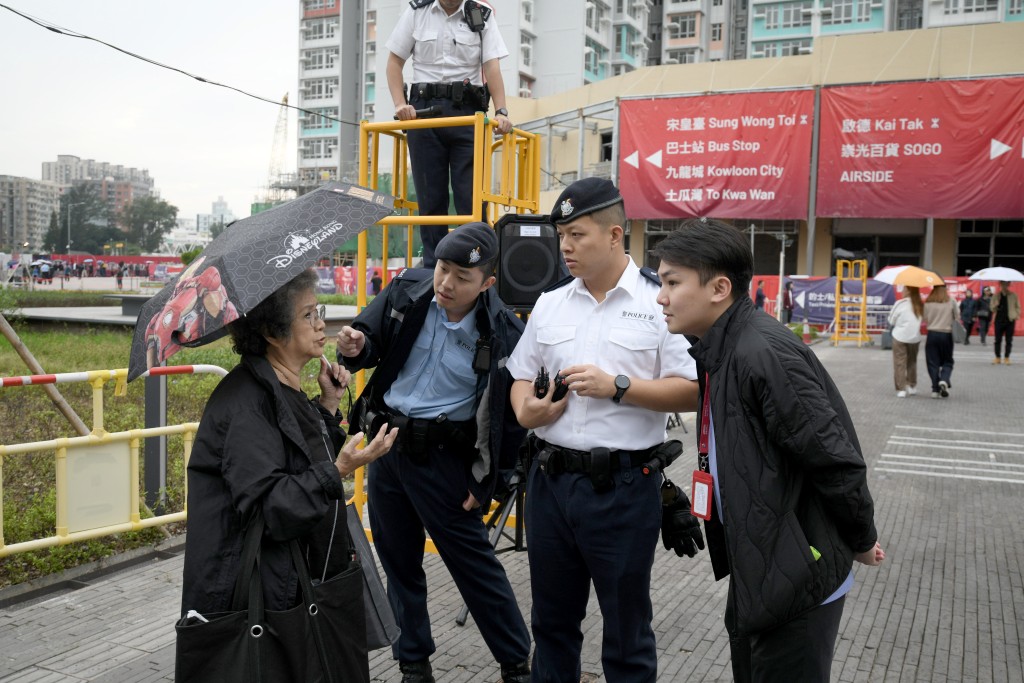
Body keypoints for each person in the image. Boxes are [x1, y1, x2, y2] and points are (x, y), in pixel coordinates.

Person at [652, 218, 885, 683]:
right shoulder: (720, 348)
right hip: (763, 566)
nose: (661, 297)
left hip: (797, 576)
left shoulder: (762, 353)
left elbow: (835, 460)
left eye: (671, 282)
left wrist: (860, 539)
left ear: (719, 288)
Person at [507, 178, 702, 683]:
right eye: (561, 236)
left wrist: (619, 386)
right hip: (550, 485)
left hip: (622, 487)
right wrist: (527, 410)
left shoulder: (660, 302)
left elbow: (693, 389)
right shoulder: (550, 302)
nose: (565, 247)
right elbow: (521, 374)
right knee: (551, 624)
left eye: (577, 234)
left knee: (626, 629)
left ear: (615, 235)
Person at [180, 269, 400, 678]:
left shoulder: (282, 386)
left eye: (319, 311)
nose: (321, 325)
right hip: (269, 599)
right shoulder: (246, 403)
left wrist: (329, 407)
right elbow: (272, 506)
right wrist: (339, 470)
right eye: (307, 316)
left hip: (301, 585)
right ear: (271, 331)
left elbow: (296, 456)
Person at [336, 222, 531, 683]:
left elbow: (511, 419)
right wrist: (357, 344)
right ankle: (413, 663)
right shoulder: (408, 290)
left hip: (446, 461)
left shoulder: (504, 332)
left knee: (474, 566)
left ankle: (516, 663)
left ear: (486, 282)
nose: (446, 283)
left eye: (461, 278)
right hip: (388, 446)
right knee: (398, 561)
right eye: (442, 269)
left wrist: (493, 483)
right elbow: (369, 339)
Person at [386, 0, 514, 268]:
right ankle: (434, 268)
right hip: (422, 113)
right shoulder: (416, 12)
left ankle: (475, 265)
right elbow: (394, 62)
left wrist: (501, 110)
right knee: (430, 200)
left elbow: (492, 68)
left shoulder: (481, 15)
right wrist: (400, 105)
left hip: (468, 114)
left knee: (470, 199)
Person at [923, 283, 958, 398]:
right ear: (945, 289)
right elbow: (957, 317)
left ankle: (935, 389)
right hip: (946, 334)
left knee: (933, 363)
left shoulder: (928, 302)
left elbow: (925, 318)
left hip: (932, 334)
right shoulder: (951, 301)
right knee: (948, 361)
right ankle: (944, 379)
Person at [888, 286, 923, 398]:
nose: (902, 291)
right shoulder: (919, 304)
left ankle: (901, 389)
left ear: (907, 290)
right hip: (915, 338)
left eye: (904, 289)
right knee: (912, 362)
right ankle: (912, 386)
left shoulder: (900, 303)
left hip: (900, 336)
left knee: (900, 363)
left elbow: (891, 320)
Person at [991, 280, 1020, 365]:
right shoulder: (996, 296)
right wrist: (995, 305)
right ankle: (997, 357)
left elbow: (1018, 307)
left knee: (1009, 340)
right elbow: (991, 309)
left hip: (1010, 321)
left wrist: (1016, 315)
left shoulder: (1013, 295)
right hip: (998, 321)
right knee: (997, 340)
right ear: (1000, 285)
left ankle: (1007, 357)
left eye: (1006, 284)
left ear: (1009, 285)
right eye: (1003, 284)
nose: (1004, 286)